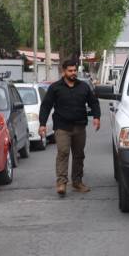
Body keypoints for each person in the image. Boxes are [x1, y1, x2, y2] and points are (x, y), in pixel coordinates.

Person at [38, 60, 101, 196]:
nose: (73, 73)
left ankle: (77, 182)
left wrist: (97, 117)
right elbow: (46, 106)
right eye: (70, 71)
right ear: (64, 71)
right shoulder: (55, 88)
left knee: (79, 155)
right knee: (63, 152)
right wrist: (42, 124)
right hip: (62, 127)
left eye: (75, 71)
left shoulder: (83, 87)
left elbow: (94, 102)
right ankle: (61, 182)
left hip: (79, 126)